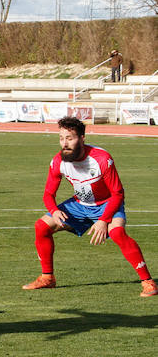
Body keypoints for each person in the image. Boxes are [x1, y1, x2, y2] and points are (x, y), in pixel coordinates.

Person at [22, 116, 157, 297]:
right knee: (41, 227)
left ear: (82, 138)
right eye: (62, 138)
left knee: (117, 233)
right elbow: (48, 194)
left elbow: (118, 194)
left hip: (107, 204)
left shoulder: (102, 159)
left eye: (70, 138)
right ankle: (47, 278)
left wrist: (103, 220)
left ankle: (148, 282)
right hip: (80, 205)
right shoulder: (57, 162)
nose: (65, 143)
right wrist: (54, 211)